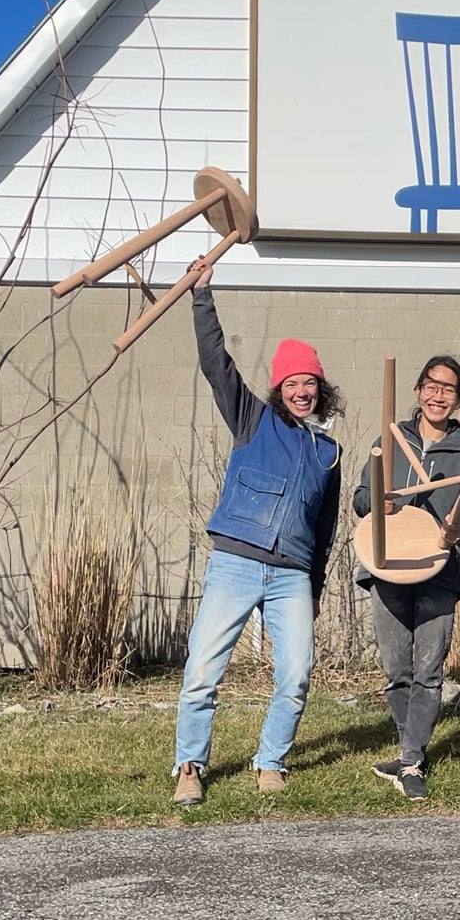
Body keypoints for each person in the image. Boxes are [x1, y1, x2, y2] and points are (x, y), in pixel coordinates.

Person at [172, 257, 343, 805]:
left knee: (296, 674)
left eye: (310, 383)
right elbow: (215, 363)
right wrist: (202, 295)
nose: (302, 391)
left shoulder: (329, 452)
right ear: (278, 388)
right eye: (293, 383)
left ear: (320, 389)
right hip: (236, 562)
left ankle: (271, 760)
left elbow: (325, 529)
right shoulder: (252, 418)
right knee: (203, 669)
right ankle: (190, 766)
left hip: (292, 573)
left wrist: (314, 590)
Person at [352, 356, 460, 802]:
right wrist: (379, 503)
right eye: (431, 386)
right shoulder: (391, 439)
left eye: (448, 389)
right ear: (417, 390)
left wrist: (459, 529)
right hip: (388, 567)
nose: (438, 395)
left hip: (438, 571)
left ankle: (411, 759)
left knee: (428, 670)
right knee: (396, 670)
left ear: (458, 398)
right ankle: (408, 748)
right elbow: (359, 497)